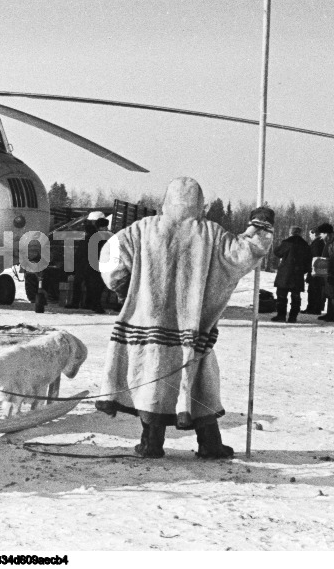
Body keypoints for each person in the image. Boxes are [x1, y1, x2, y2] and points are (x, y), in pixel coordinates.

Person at [95, 177, 274, 459]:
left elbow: (108, 254)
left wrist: (122, 284)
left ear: (164, 202)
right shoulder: (211, 234)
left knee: (153, 379)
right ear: (200, 205)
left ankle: (151, 443)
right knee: (201, 382)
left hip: (147, 325)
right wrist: (259, 226)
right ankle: (209, 443)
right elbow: (245, 252)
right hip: (192, 329)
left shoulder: (141, 230)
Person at [66, 211, 107, 313]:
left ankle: (80, 303)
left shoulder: (91, 233)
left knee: (82, 282)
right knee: (92, 283)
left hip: (85, 260)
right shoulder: (98, 234)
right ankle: (92, 304)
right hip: (89, 261)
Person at [271, 226, 312, 323]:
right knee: (296, 296)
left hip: (285, 273)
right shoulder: (305, 244)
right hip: (298, 274)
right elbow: (309, 261)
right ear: (300, 233)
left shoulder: (287, 242)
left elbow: (277, 252)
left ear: (291, 232)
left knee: (281, 295)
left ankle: (281, 315)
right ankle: (293, 317)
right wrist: (303, 270)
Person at [316, 223, 334, 322]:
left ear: (326, 233)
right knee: (328, 293)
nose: (320, 235)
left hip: (332, 272)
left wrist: (327, 264)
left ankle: (333, 316)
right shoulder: (330, 242)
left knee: (333, 294)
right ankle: (329, 314)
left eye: (321, 233)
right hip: (328, 271)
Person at [304, 228, 326, 315]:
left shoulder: (317, 243)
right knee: (314, 289)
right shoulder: (320, 243)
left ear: (314, 234)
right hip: (318, 270)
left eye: (310, 234)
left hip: (315, 270)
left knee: (314, 289)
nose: (309, 236)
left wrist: (312, 268)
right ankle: (312, 307)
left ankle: (314, 308)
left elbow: (315, 257)